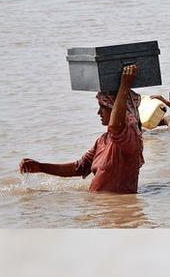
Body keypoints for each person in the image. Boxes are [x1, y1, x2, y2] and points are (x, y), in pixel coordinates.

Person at [19, 65, 145, 194]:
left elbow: (115, 125)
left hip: (116, 209)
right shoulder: (103, 140)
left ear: (114, 108)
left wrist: (124, 85)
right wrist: (40, 167)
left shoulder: (129, 138)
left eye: (102, 107)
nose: (98, 112)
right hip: (99, 206)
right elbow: (79, 168)